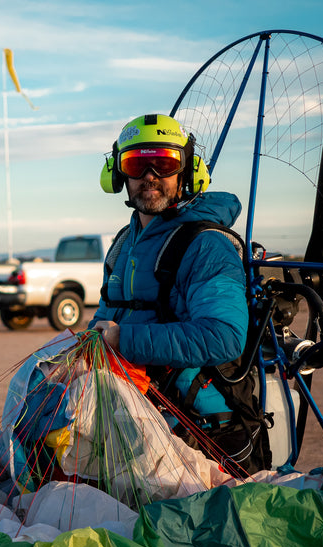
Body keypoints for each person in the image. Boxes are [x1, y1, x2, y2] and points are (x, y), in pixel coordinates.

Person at [88, 114, 260, 473]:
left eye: (164, 163)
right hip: (136, 425)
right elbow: (104, 321)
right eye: (136, 163)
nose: (150, 175)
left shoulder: (206, 245)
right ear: (119, 174)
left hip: (204, 440)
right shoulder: (123, 244)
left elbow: (225, 337)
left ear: (188, 171)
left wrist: (125, 339)